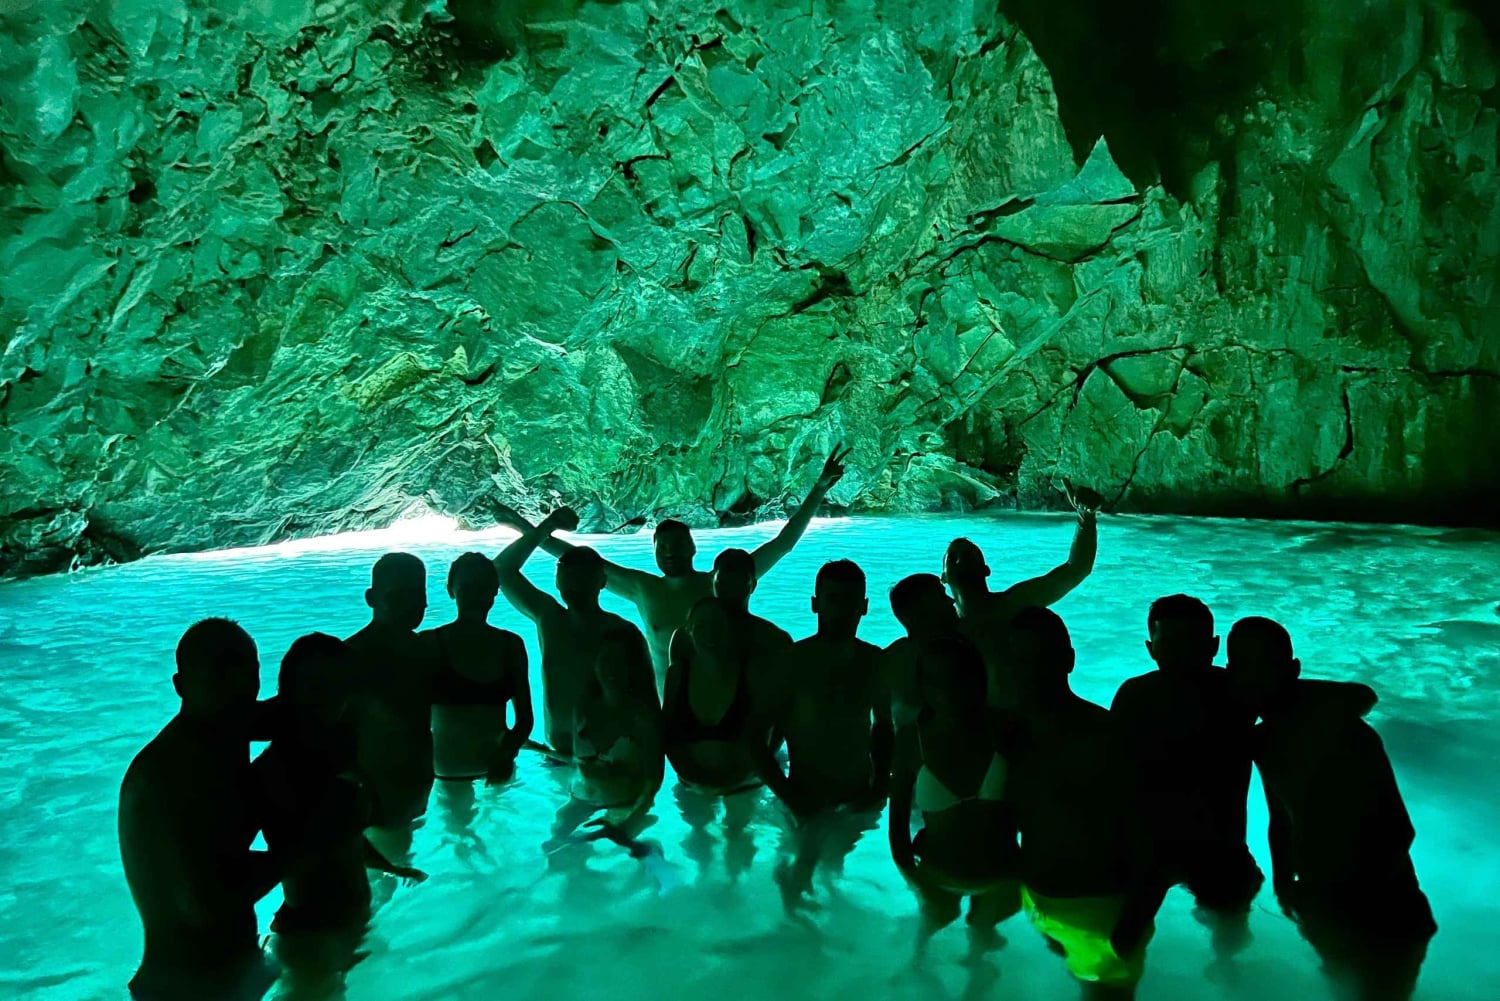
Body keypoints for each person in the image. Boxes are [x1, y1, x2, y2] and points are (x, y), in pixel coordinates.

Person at [497, 446, 853, 680]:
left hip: (718, 707)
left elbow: (783, 544)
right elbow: (577, 561)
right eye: (663, 547)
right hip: (666, 714)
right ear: (654, 553)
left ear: (693, 547)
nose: (670, 552)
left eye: (678, 545)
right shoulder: (643, 588)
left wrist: (819, 488)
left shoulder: (722, 583)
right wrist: (524, 526)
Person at [1228, 616, 1435, 1001]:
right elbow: (1280, 817)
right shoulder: (1264, 739)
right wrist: (1283, 883)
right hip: (1322, 902)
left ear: (1292, 669)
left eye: (1266, 664)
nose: (1255, 676)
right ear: (1231, 673)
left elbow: (1397, 830)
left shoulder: (1344, 730)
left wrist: (1344, 903)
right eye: (1243, 665)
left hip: (1382, 910)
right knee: (1345, 986)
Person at [118, 618, 280, 1001]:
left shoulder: (224, 728)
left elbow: (299, 708)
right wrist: (306, 844)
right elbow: (203, 906)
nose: (237, 688)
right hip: (184, 986)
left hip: (232, 970)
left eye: (246, 674)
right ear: (180, 686)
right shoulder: (168, 775)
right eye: (220, 673)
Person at [1007, 607, 1161, 999]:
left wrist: (1128, 931)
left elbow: (1156, 839)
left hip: (1101, 913)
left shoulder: (1107, 737)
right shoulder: (1009, 736)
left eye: (1042, 659)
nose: (1030, 672)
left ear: (1068, 660)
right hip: (1036, 903)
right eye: (1019, 660)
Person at [253, 635, 425, 981]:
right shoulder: (273, 772)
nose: (330, 698)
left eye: (340, 686)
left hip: (351, 921)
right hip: (310, 938)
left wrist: (392, 868)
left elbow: (345, 839)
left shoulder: (335, 755)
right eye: (316, 686)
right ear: (288, 691)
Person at [1108, 594, 1262, 956]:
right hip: (1155, 844)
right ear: (1151, 649)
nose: (1181, 654)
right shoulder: (1137, 696)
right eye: (1170, 643)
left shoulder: (1239, 693)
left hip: (1217, 846)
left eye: (1191, 643)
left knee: (1229, 934)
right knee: (1124, 937)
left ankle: (1227, 968)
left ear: (1213, 647)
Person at [886, 581, 1022, 956]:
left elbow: (1036, 810)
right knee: (921, 953)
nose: (946, 688)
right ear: (923, 686)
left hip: (1005, 877)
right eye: (934, 680)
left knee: (983, 952)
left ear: (975, 679)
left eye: (957, 677)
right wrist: (918, 886)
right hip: (937, 878)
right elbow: (897, 836)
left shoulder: (1005, 730)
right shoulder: (911, 740)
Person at [751, 559, 892, 914]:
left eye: (850, 600)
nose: (841, 609)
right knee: (797, 886)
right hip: (804, 797)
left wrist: (879, 786)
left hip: (858, 795)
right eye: (832, 599)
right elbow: (752, 740)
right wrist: (790, 797)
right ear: (815, 603)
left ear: (864, 606)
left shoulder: (874, 661)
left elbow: (884, 726)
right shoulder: (791, 662)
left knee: (834, 867)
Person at [493, 507, 647, 756]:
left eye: (583, 577)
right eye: (568, 577)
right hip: (557, 754)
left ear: (602, 582)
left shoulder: (622, 632)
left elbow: (646, 702)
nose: (575, 585)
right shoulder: (550, 618)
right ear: (557, 582)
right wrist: (547, 526)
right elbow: (501, 570)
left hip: (607, 757)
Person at [942, 482, 1102, 708]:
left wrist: (1086, 518)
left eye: (968, 555)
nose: (960, 559)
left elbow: (1076, 569)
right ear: (943, 577)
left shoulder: (1013, 604)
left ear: (986, 570)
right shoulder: (940, 624)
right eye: (952, 558)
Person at [344, 553, 439, 833]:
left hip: (413, 787)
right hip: (368, 794)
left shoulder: (424, 650)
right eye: (398, 596)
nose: (411, 605)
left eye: (417, 595)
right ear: (371, 598)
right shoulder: (349, 658)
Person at [423, 553, 533, 785]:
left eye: (482, 587)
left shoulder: (511, 645)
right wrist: (506, 755)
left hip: (485, 770)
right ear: (451, 590)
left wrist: (507, 754)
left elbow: (525, 719)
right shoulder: (429, 644)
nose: (475, 594)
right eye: (467, 587)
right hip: (474, 771)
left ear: (495, 590)